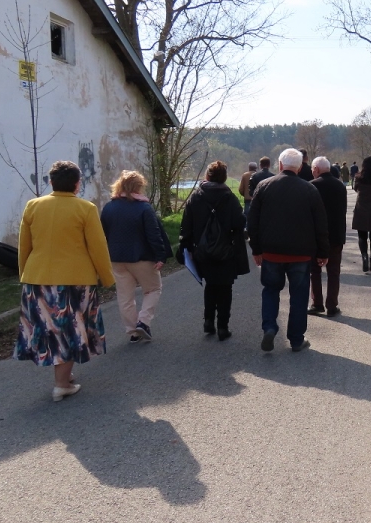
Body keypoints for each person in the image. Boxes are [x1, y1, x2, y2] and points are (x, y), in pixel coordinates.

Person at [14, 160, 114, 402]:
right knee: (71, 330)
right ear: (78, 184)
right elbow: (98, 247)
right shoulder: (85, 209)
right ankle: (61, 384)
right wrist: (106, 277)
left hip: (37, 280)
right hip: (75, 281)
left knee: (49, 330)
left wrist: (25, 273)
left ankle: (64, 376)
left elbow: (24, 246)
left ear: (51, 182)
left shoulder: (33, 206)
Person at [247, 148, 329, 352]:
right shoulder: (310, 190)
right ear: (300, 167)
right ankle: (296, 339)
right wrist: (323, 252)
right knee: (299, 296)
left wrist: (256, 249)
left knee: (270, 290)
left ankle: (269, 327)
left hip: (271, 252)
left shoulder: (264, 186)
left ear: (280, 165)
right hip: (301, 254)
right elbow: (320, 224)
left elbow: (252, 221)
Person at [178, 161, 250, 340]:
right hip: (226, 250)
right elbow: (239, 222)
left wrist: (186, 246)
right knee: (225, 288)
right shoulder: (229, 197)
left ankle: (208, 321)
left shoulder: (196, 197)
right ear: (224, 177)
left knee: (210, 285)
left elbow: (186, 225)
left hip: (202, 251)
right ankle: (223, 327)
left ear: (207, 175)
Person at [100, 170, 173, 344]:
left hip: (117, 259)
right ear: (138, 187)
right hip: (142, 258)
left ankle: (133, 331)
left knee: (125, 297)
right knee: (153, 289)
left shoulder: (108, 208)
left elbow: (103, 234)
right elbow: (154, 234)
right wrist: (160, 255)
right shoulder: (143, 208)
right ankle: (143, 322)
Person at [309, 156, 347, 316]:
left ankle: (317, 303)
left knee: (315, 271)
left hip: (315, 235)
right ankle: (332, 305)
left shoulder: (311, 186)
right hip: (336, 234)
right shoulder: (340, 186)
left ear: (316, 169)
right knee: (333, 271)